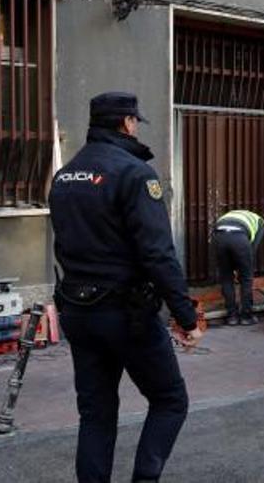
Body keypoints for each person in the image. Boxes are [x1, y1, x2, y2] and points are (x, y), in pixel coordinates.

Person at [49, 91, 202, 483]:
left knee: (96, 414)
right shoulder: (135, 174)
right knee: (170, 401)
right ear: (127, 123)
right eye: (136, 122)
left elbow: (63, 243)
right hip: (125, 314)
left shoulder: (64, 176)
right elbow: (158, 255)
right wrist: (185, 315)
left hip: (77, 311)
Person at [213, 210, 264, 326]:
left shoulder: (230, 215)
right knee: (246, 279)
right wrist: (241, 268)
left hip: (219, 236)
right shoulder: (260, 222)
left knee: (226, 278)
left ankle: (232, 317)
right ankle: (246, 316)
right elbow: (252, 249)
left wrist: (234, 266)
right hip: (239, 238)